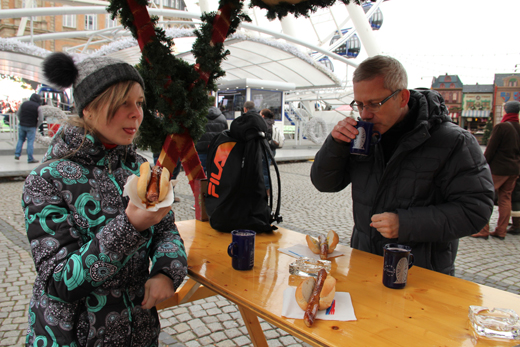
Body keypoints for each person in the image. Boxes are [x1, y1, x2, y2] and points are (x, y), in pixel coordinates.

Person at [23, 52, 188, 346]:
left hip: (138, 331)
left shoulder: (140, 168)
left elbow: (167, 231)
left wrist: (166, 271)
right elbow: (59, 281)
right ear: (89, 108)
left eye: (139, 103)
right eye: (123, 103)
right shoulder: (46, 180)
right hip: (73, 335)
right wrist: (130, 227)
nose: (136, 114)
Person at [310, 55, 494, 276]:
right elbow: (325, 183)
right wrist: (336, 144)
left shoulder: (454, 141)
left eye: (375, 104)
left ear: (403, 98)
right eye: (359, 104)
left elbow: (476, 210)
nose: (365, 114)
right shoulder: (364, 135)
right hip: (364, 263)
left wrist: (405, 224)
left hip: (420, 273)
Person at [472, 100, 520, 240]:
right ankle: (501, 230)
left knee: (484, 195)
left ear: (506, 111)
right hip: (514, 169)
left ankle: (483, 229)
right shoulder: (518, 127)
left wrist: (481, 163)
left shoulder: (502, 127)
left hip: (499, 169)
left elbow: (491, 149)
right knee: (506, 198)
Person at [195, 96, 228, 173]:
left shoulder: (199, 117)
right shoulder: (222, 117)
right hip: (216, 151)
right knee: (215, 175)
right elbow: (225, 134)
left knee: (200, 176)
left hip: (201, 150)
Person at [15, 93, 43, 163]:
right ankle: (30, 158)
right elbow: (41, 119)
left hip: (22, 125)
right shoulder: (38, 107)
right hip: (31, 126)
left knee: (21, 139)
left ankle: (17, 154)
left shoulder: (24, 104)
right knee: (30, 142)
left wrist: (21, 121)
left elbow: (18, 114)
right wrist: (37, 125)